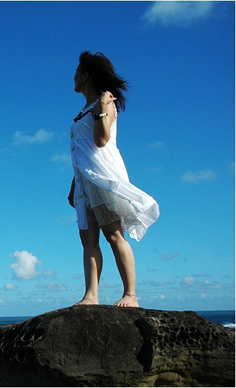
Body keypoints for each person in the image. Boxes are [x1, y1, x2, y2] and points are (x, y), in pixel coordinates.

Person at [68, 51, 160, 308]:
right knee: (88, 239)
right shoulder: (85, 109)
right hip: (85, 180)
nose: (73, 77)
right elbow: (81, 153)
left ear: (85, 75)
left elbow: (101, 139)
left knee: (114, 234)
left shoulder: (105, 103)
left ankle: (131, 294)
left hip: (104, 177)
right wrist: (74, 185)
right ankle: (91, 296)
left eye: (76, 72)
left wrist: (101, 109)